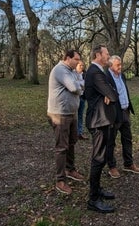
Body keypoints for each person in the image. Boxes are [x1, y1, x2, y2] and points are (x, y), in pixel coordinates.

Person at [84, 44, 119, 213]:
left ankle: (97, 190)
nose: (109, 56)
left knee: (102, 157)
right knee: (98, 159)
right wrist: (109, 94)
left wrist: (109, 93)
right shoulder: (95, 72)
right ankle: (93, 199)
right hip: (98, 121)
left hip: (102, 119)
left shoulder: (99, 71)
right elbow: (113, 94)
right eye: (107, 53)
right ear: (98, 55)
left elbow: (111, 92)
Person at [47, 49, 86, 195]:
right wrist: (78, 85)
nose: (78, 62)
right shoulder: (60, 70)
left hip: (71, 113)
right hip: (60, 114)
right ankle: (60, 180)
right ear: (67, 58)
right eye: (76, 59)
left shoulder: (71, 71)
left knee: (72, 142)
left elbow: (81, 85)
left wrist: (79, 84)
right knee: (62, 147)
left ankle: (70, 170)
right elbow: (75, 87)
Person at [105, 55, 139, 179]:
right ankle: (112, 167)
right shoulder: (106, 77)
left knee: (127, 139)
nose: (120, 67)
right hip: (114, 113)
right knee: (111, 141)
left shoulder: (122, 75)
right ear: (110, 66)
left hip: (125, 111)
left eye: (121, 64)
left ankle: (128, 163)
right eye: (118, 65)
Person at [76, 60, 88, 140]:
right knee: (73, 116)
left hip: (82, 97)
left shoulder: (85, 75)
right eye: (80, 65)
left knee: (80, 115)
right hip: (75, 98)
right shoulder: (72, 74)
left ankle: (79, 133)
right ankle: (72, 133)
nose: (82, 67)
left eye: (83, 65)